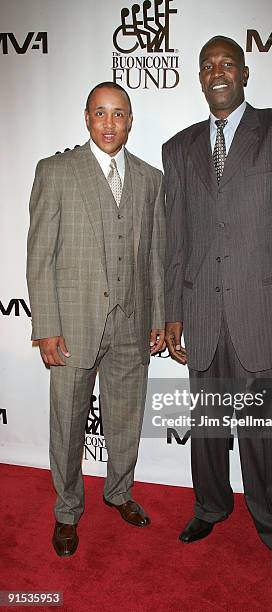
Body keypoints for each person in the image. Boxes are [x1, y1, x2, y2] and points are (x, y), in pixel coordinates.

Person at [163, 36, 272, 582]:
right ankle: (210, 507)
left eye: (226, 63)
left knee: (267, 435)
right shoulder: (180, 148)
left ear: (245, 72)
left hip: (266, 313)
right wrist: (172, 310)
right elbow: (177, 242)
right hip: (203, 314)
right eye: (206, 64)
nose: (216, 71)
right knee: (209, 429)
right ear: (199, 76)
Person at [27, 82, 165, 557]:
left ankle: (119, 491)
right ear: (87, 118)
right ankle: (67, 511)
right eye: (101, 114)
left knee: (125, 417)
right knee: (67, 423)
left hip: (132, 322)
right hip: (74, 325)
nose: (110, 123)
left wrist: (159, 317)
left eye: (119, 114)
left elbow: (156, 258)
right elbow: (39, 256)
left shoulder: (150, 179)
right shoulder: (57, 171)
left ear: (131, 120)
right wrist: (45, 326)